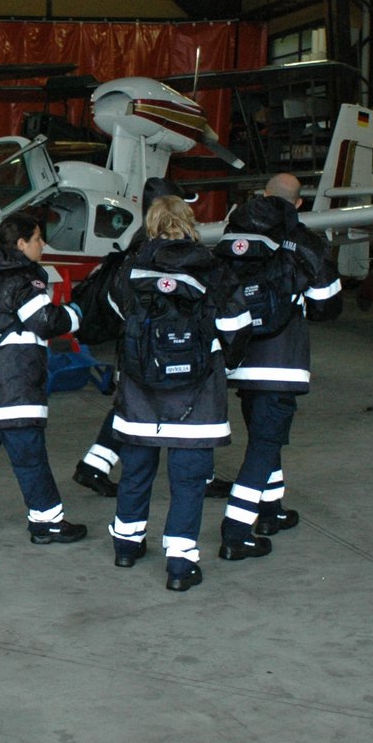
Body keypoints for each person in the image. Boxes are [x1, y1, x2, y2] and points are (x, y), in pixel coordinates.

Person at [105, 195, 251, 591]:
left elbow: (116, 314)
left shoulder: (132, 267)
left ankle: (127, 544)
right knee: (188, 481)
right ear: (189, 222)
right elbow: (237, 322)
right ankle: (180, 564)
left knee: (136, 470)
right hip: (197, 394)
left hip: (140, 390)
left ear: (150, 224)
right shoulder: (213, 268)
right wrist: (225, 360)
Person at [214, 172, 342, 555]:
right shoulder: (303, 242)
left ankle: (272, 509)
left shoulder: (230, 238)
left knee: (264, 438)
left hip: (237, 360)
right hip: (281, 362)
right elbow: (326, 304)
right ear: (298, 204)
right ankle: (235, 532)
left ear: (263, 195)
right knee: (265, 445)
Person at [0, 213, 87, 545]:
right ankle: (47, 521)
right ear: (21, 244)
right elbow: (44, 321)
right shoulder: (22, 278)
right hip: (15, 388)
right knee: (29, 457)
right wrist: (76, 315)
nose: (42, 245)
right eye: (37, 238)